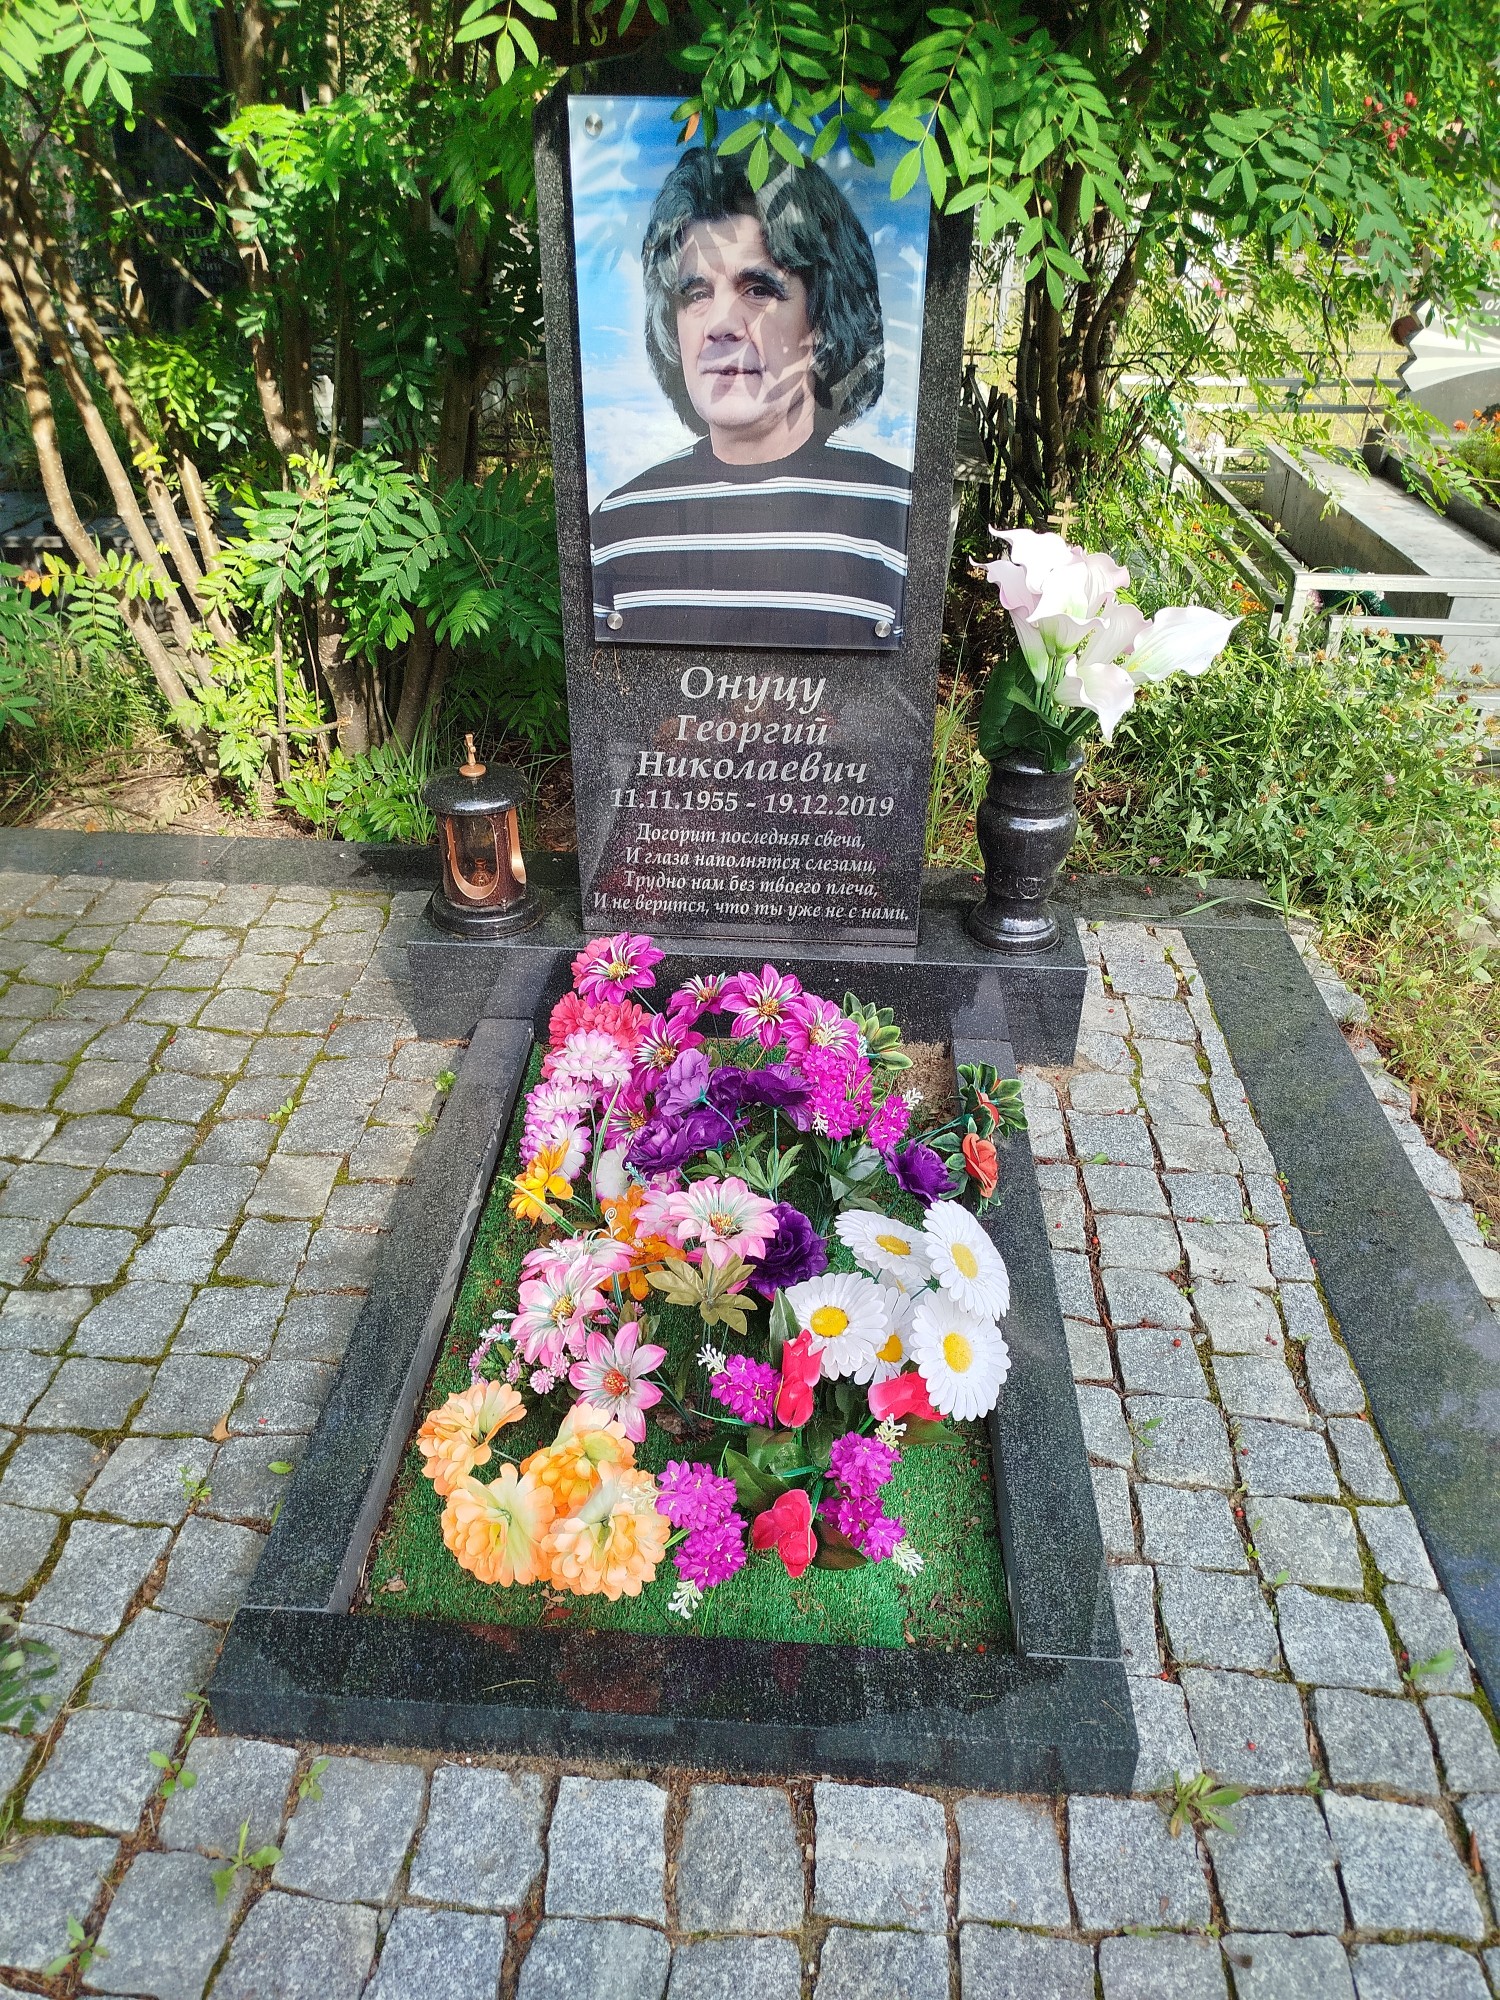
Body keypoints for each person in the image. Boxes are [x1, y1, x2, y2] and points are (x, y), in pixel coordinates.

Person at [588, 145, 913, 650]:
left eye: (758, 289)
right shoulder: (617, 524)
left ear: (822, 318)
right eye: (696, 295)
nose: (720, 324)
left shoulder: (897, 515)